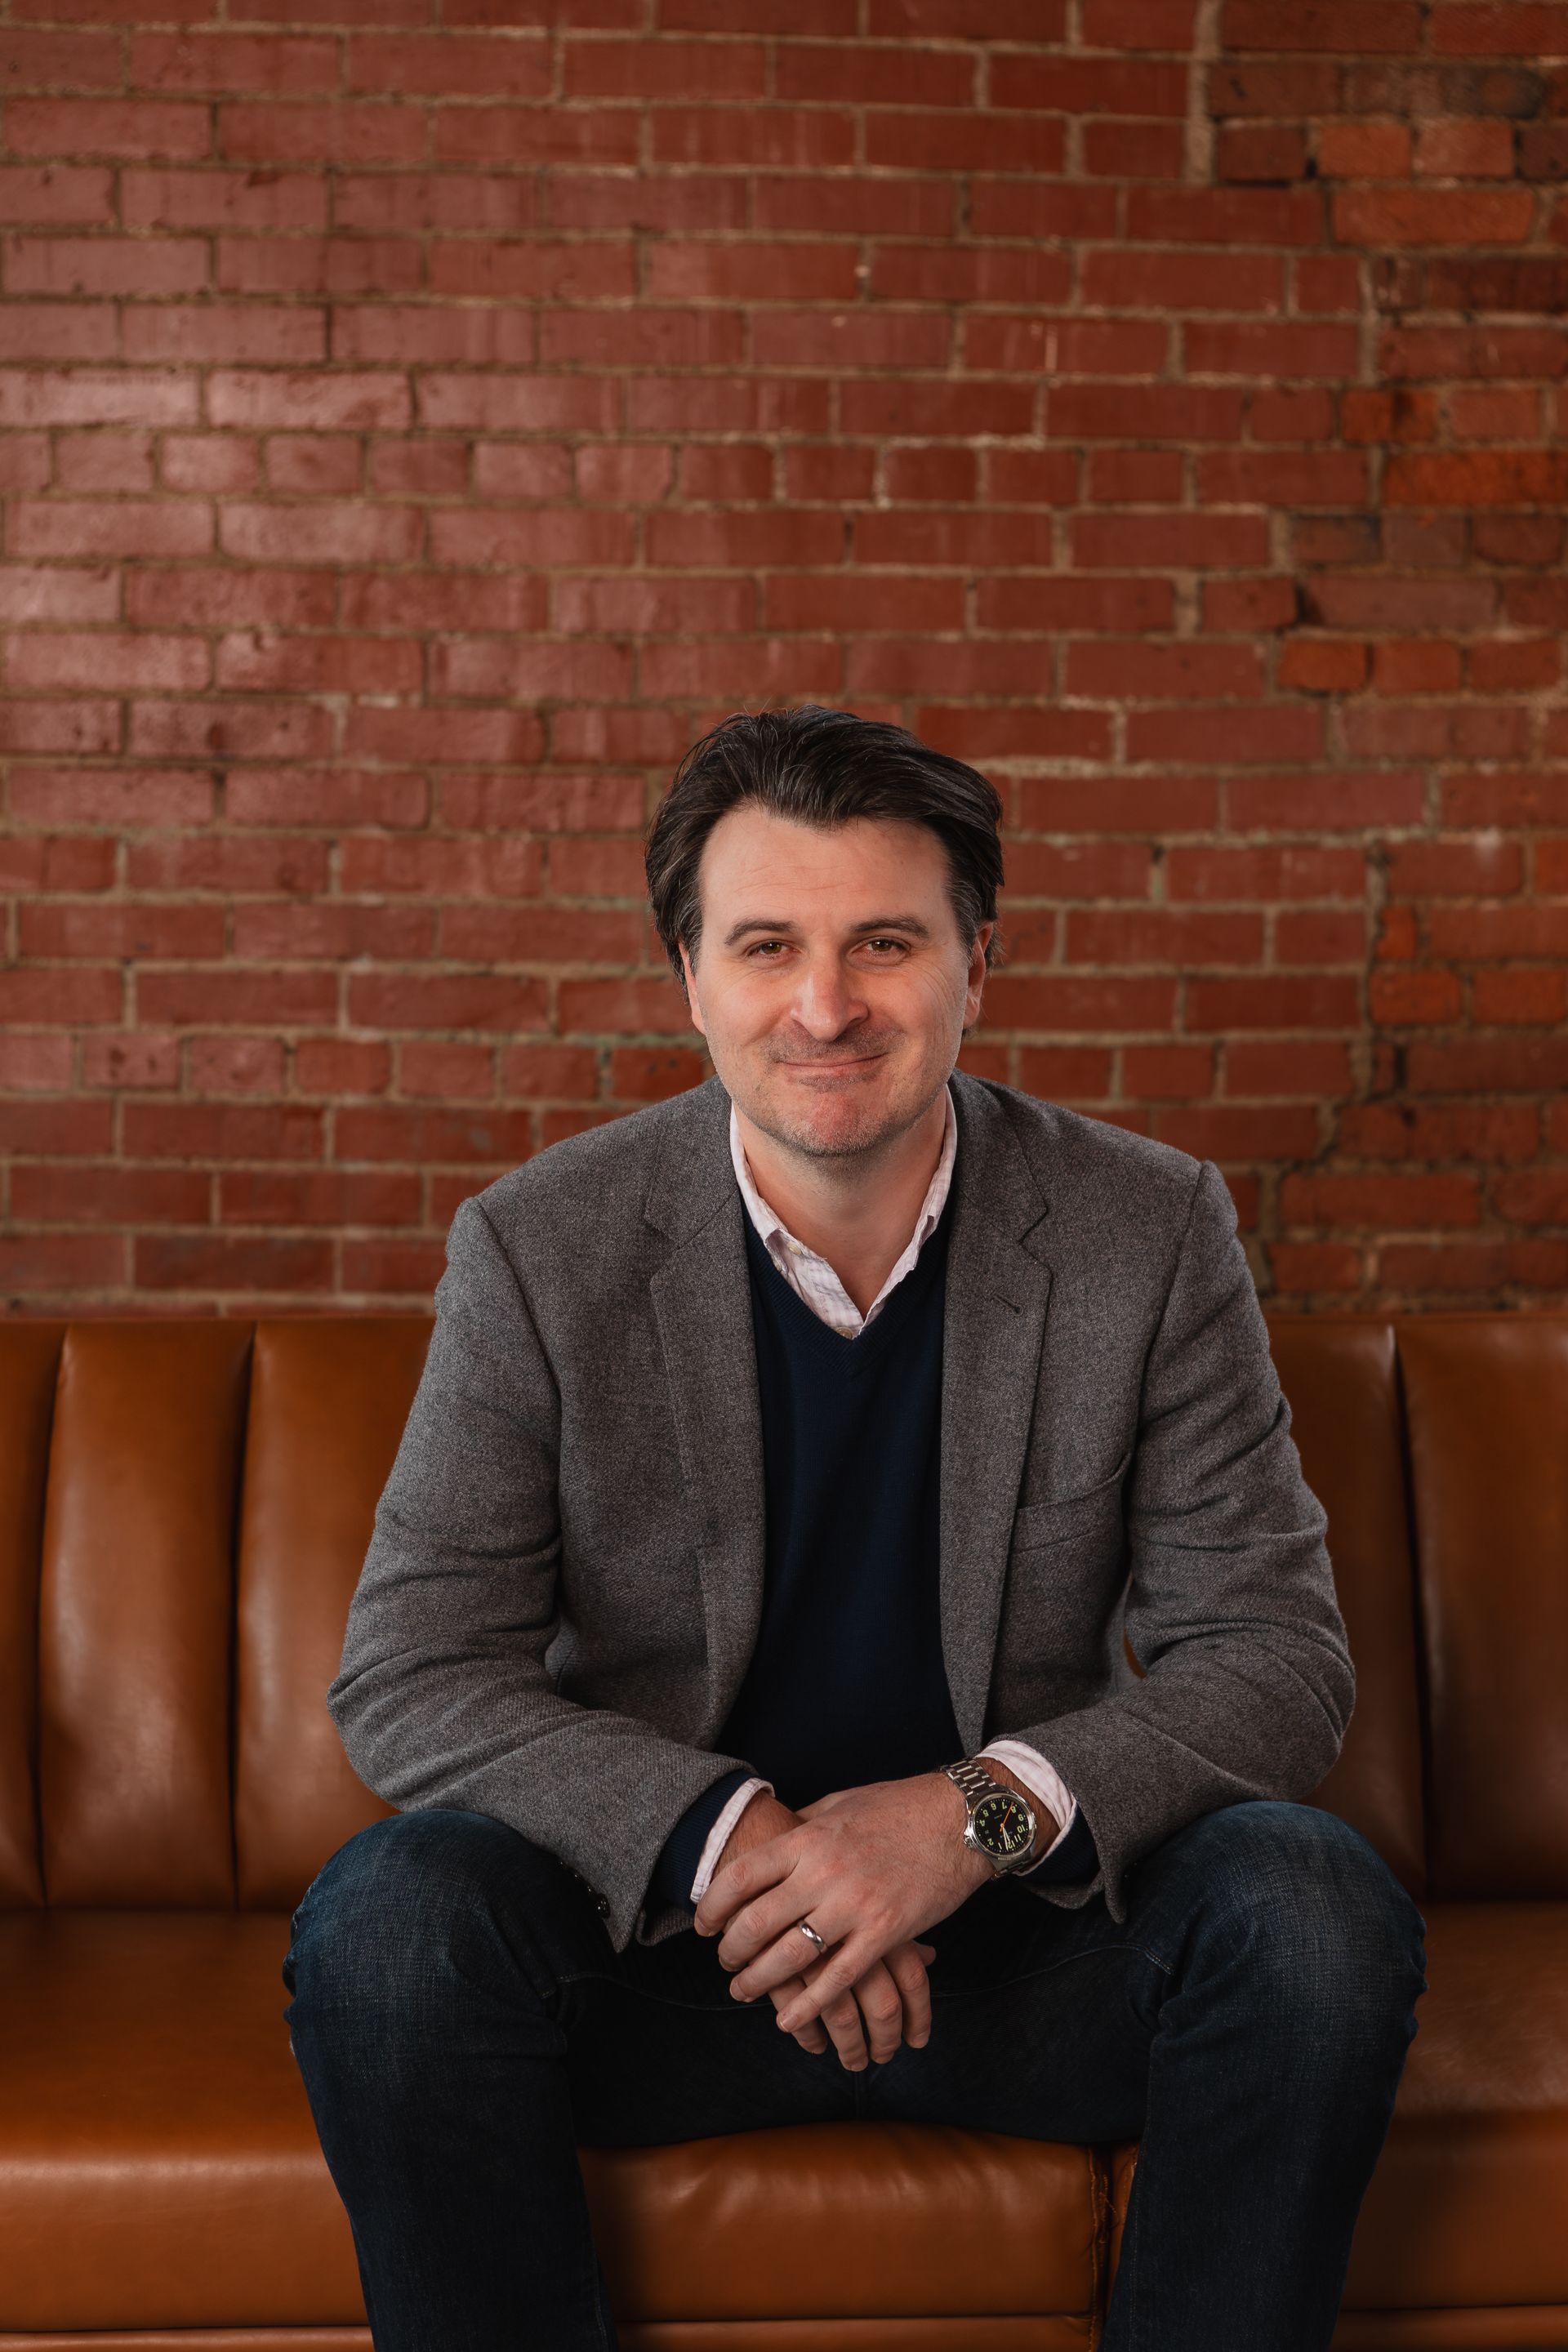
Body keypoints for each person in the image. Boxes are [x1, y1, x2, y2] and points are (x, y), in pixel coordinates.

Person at [283, 704, 1426, 2352]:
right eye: (767, 947)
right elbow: (408, 1672)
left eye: (885, 942)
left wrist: (964, 1823)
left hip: (1021, 1956)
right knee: (391, 1922)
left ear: (977, 965)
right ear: (692, 979)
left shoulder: (1147, 1230)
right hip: (662, 1962)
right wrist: (741, 1843)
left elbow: (1275, 1659)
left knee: (1310, 1908)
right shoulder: (540, 1250)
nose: (824, 1005)